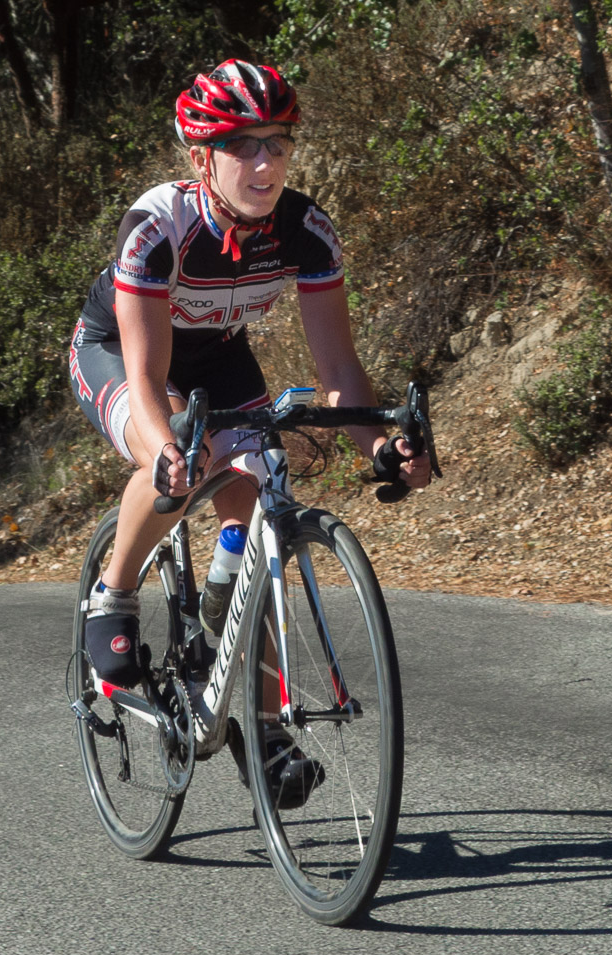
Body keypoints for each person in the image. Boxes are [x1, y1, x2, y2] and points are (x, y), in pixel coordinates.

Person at [67, 60, 430, 799]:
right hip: (120, 353)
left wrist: (381, 445)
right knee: (182, 452)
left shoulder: (305, 229)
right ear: (202, 157)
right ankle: (114, 593)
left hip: (220, 358)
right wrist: (167, 448)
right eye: (241, 146)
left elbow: (339, 369)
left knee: (262, 502)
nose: (265, 164)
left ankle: (265, 731)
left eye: (277, 144)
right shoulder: (156, 227)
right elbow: (146, 378)